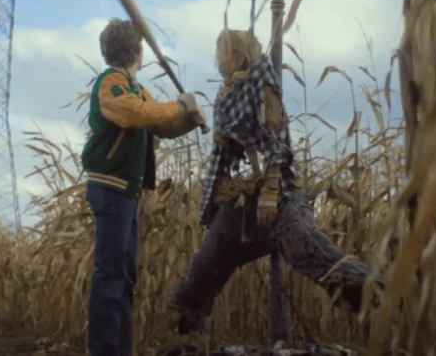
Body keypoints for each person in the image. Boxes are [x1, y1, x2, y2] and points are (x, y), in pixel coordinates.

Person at [167, 29, 378, 334]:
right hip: (244, 201)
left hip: (281, 192)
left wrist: (270, 189)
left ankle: (383, 301)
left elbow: (275, 139)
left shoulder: (263, 84)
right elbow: (225, 153)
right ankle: (188, 338)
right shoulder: (227, 94)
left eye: (223, 54)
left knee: (311, 252)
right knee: (205, 266)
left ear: (236, 54)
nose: (218, 61)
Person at [82, 18, 205, 356]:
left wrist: (188, 122)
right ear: (137, 50)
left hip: (126, 192)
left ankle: (120, 350)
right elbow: (131, 115)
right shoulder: (113, 83)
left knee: (124, 277)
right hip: (109, 187)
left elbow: (159, 126)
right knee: (109, 276)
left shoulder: (136, 88)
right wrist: (180, 105)